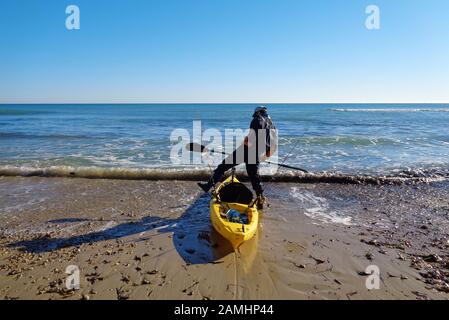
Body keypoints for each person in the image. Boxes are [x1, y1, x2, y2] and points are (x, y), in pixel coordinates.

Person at [198, 106, 277, 209]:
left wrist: (245, 141)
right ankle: (260, 198)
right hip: (258, 152)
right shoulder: (271, 124)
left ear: (257, 112)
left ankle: (208, 186)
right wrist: (267, 151)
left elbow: (251, 137)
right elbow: (272, 139)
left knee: (223, 166)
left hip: (246, 150)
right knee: (254, 176)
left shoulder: (257, 119)